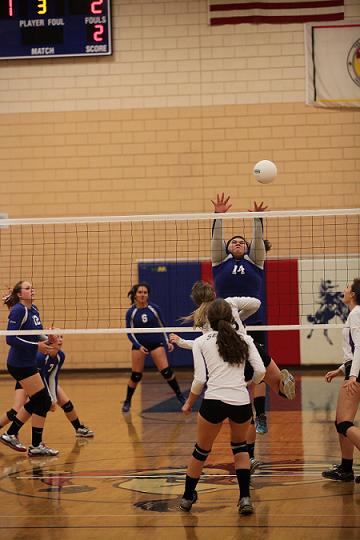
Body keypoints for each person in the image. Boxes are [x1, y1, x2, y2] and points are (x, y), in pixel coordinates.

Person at [170, 280, 295, 472]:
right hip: (250, 347)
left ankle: (251, 456)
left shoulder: (205, 317)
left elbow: (200, 343)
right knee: (276, 385)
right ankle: (282, 386)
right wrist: (239, 317)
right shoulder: (230, 303)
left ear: (196, 300)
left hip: (237, 361)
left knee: (246, 414)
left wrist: (180, 342)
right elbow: (257, 304)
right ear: (213, 292)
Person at [179, 298, 266, 515]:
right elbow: (261, 371)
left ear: (209, 318)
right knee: (240, 449)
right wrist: (249, 383)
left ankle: (188, 497)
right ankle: (245, 498)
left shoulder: (200, 342)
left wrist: (189, 402)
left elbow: (199, 380)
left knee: (201, 451)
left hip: (213, 402)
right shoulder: (245, 339)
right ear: (230, 317)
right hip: (240, 403)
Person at [211, 193, 270, 434]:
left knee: (260, 369)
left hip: (254, 323)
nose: (238, 243)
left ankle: (262, 414)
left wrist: (256, 219)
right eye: (233, 241)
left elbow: (257, 240)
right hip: (227, 327)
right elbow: (215, 240)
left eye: (242, 242)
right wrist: (219, 216)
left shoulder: (255, 261)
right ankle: (236, 411)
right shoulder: (219, 262)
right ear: (226, 248)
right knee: (234, 370)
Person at [0, 281, 59, 456]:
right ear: (19, 294)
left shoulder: (34, 310)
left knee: (40, 400)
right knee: (43, 401)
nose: (31, 290)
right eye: (27, 288)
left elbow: (36, 334)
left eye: (32, 287)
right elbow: (10, 339)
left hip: (28, 362)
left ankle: (13, 434)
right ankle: (33, 444)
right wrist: (37, 347)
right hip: (19, 363)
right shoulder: (19, 310)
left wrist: (48, 337)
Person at [0, 334, 94, 439]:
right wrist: (50, 399)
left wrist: (53, 398)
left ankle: (79, 428)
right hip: (28, 381)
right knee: (16, 411)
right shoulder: (40, 356)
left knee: (67, 404)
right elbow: (41, 377)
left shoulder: (60, 356)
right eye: (57, 337)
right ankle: (11, 432)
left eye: (61, 337)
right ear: (49, 339)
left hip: (46, 381)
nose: (60, 340)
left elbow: (52, 377)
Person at [122, 282, 185, 413]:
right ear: (135, 295)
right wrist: (139, 346)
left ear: (148, 295)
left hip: (156, 343)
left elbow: (162, 326)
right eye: (140, 292)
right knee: (136, 376)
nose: (142, 295)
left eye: (145, 292)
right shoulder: (131, 312)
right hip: (139, 345)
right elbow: (130, 332)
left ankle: (180, 396)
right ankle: (127, 401)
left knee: (166, 372)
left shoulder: (154, 308)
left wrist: (167, 340)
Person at [322, 278, 360, 483]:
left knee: (344, 423)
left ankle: (347, 469)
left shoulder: (356, 314)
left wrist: (352, 375)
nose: (344, 290)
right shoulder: (354, 314)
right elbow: (354, 352)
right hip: (354, 368)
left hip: (357, 373)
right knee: (341, 422)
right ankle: (346, 469)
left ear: (353, 294)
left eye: (347, 288)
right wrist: (340, 370)